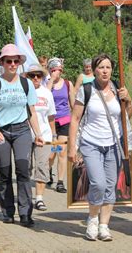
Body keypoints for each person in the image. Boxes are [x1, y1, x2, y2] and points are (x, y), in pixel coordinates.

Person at [67, 53, 132, 241]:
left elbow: (128, 115)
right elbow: (75, 119)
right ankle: (93, 218)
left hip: (114, 144)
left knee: (110, 185)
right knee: (98, 182)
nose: (105, 71)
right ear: (94, 70)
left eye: (108, 67)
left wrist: (127, 99)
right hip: (91, 143)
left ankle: (104, 226)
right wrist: (72, 147)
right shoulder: (86, 90)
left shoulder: (118, 89)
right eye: (101, 67)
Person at [0, 44, 43, 227]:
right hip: (1, 131)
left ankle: (25, 213)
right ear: (2, 62)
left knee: (23, 170)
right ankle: (8, 211)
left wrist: (38, 133)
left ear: (19, 63)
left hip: (22, 131)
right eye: (8, 61)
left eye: (15, 61)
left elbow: (32, 111)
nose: (12, 64)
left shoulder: (26, 84)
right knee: (4, 171)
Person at [26, 64, 57, 211]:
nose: (36, 78)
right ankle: (25, 195)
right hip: (25, 135)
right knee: (25, 167)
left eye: (39, 75)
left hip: (44, 135)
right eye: (32, 76)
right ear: (28, 77)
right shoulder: (23, 92)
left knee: (42, 166)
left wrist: (54, 136)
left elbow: (51, 117)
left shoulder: (47, 93)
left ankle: (39, 198)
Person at [46, 57, 75, 193]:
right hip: (50, 122)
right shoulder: (46, 84)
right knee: (51, 154)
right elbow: (45, 97)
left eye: (58, 70)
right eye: (54, 70)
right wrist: (51, 80)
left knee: (61, 152)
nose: (57, 73)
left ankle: (60, 182)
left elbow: (74, 104)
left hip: (64, 120)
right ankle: (49, 171)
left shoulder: (68, 84)